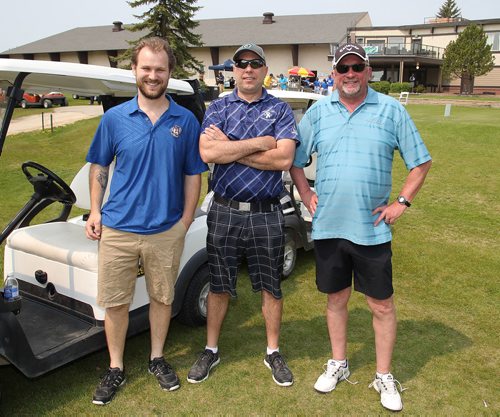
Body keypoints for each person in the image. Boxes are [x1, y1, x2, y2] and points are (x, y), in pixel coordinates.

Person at [290, 43, 432, 412]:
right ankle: (339, 362)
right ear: (334, 74)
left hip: (372, 229)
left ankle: (383, 375)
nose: (350, 74)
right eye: (343, 68)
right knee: (336, 299)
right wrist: (306, 192)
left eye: (357, 67)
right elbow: (295, 160)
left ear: (368, 71)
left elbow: (420, 162)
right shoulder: (319, 112)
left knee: (380, 305)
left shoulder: (391, 110)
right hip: (329, 227)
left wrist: (401, 202)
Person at [85, 37, 207, 405]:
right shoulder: (114, 119)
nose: (153, 75)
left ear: (169, 72)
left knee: (162, 298)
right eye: (146, 68)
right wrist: (94, 209)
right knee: (116, 302)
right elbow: (99, 165)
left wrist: (185, 221)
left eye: (160, 69)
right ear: (135, 71)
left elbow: (192, 174)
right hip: (118, 228)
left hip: (165, 230)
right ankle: (116, 367)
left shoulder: (185, 121)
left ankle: (157, 358)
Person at [187, 43, 298, 388]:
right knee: (219, 285)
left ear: (265, 70)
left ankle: (273, 351)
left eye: (255, 63)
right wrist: (259, 142)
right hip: (224, 210)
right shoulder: (218, 107)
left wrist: (231, 149)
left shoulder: (280, 109)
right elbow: (208, 150)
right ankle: (211, 349)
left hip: (267, 212)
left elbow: (283, 160)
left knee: (271, 286)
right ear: (232, 71)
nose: (248, 69)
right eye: (241, 64)